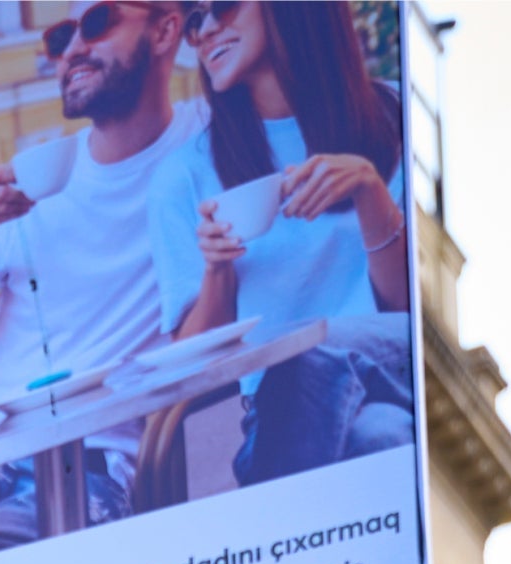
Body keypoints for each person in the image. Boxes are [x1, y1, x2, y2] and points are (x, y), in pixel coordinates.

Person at [0, 0, 203, 559]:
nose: (72, 50)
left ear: (167, 30)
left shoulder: (205, 145)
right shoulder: (32, 180)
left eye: (97, 24)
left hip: (96, 462)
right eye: (61, 36)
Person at [146, 0, 415, 490]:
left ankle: (269, 528)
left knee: (304, 354)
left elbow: (407, 308)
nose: (205, 30)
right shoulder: (182, 175)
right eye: (193, 19)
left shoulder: (397, 114)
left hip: (399, 370)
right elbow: (189, 367)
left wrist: (371, 193)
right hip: (284, 419)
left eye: (221, 6)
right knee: (381, 435)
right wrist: (217, 271)